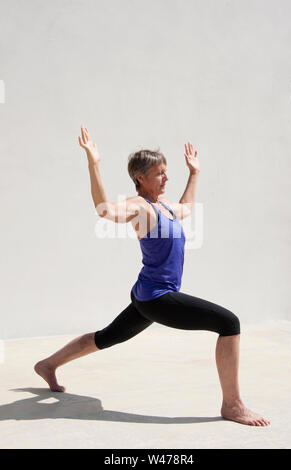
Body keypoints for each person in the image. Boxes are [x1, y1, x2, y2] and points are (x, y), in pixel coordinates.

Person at [34, 126, 270, 427]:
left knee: (107, 337)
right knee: (228, 323)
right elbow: (105, 210)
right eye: (160, 173)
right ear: (141, 179)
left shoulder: (165, 207)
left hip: (146, 294)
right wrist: (94, 163)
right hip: (157, 298)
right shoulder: (139, 207)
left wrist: (194, 173)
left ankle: (47, 365)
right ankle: (232, 405)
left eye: (166, 172)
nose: (166, 178)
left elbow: (185, 207)